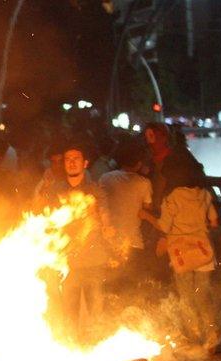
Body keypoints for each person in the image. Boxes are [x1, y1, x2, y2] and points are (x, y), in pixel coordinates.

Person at [35, 143, 114, 342]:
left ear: (85, 163)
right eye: (67, 159)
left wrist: (109, 232)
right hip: (67, 265)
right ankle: (72, 351)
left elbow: (105, 219)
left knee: (96, 317)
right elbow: (43, 218)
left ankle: (96, 355)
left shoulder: (95, 190)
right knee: (69, 316)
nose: (71, 162)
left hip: (94, 263)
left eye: (76, 158)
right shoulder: (55, 191)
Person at [140, 160, 220, 352]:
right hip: (203, 252)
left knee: (187, 296)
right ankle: (212, 336)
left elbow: (164, 226)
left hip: (181, 254)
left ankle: (194, 337)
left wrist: (145, 216)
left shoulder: (172, 198)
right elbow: (214, 222)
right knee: (203, 296)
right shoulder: (204, 194)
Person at [99, 139, 153, 285]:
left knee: (111, 290)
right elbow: (147, 209)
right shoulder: (144, 183)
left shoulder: (105, 178)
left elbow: (100, 204)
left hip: (108, 243)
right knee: (131, 291)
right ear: (139, 163)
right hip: (134, 243)